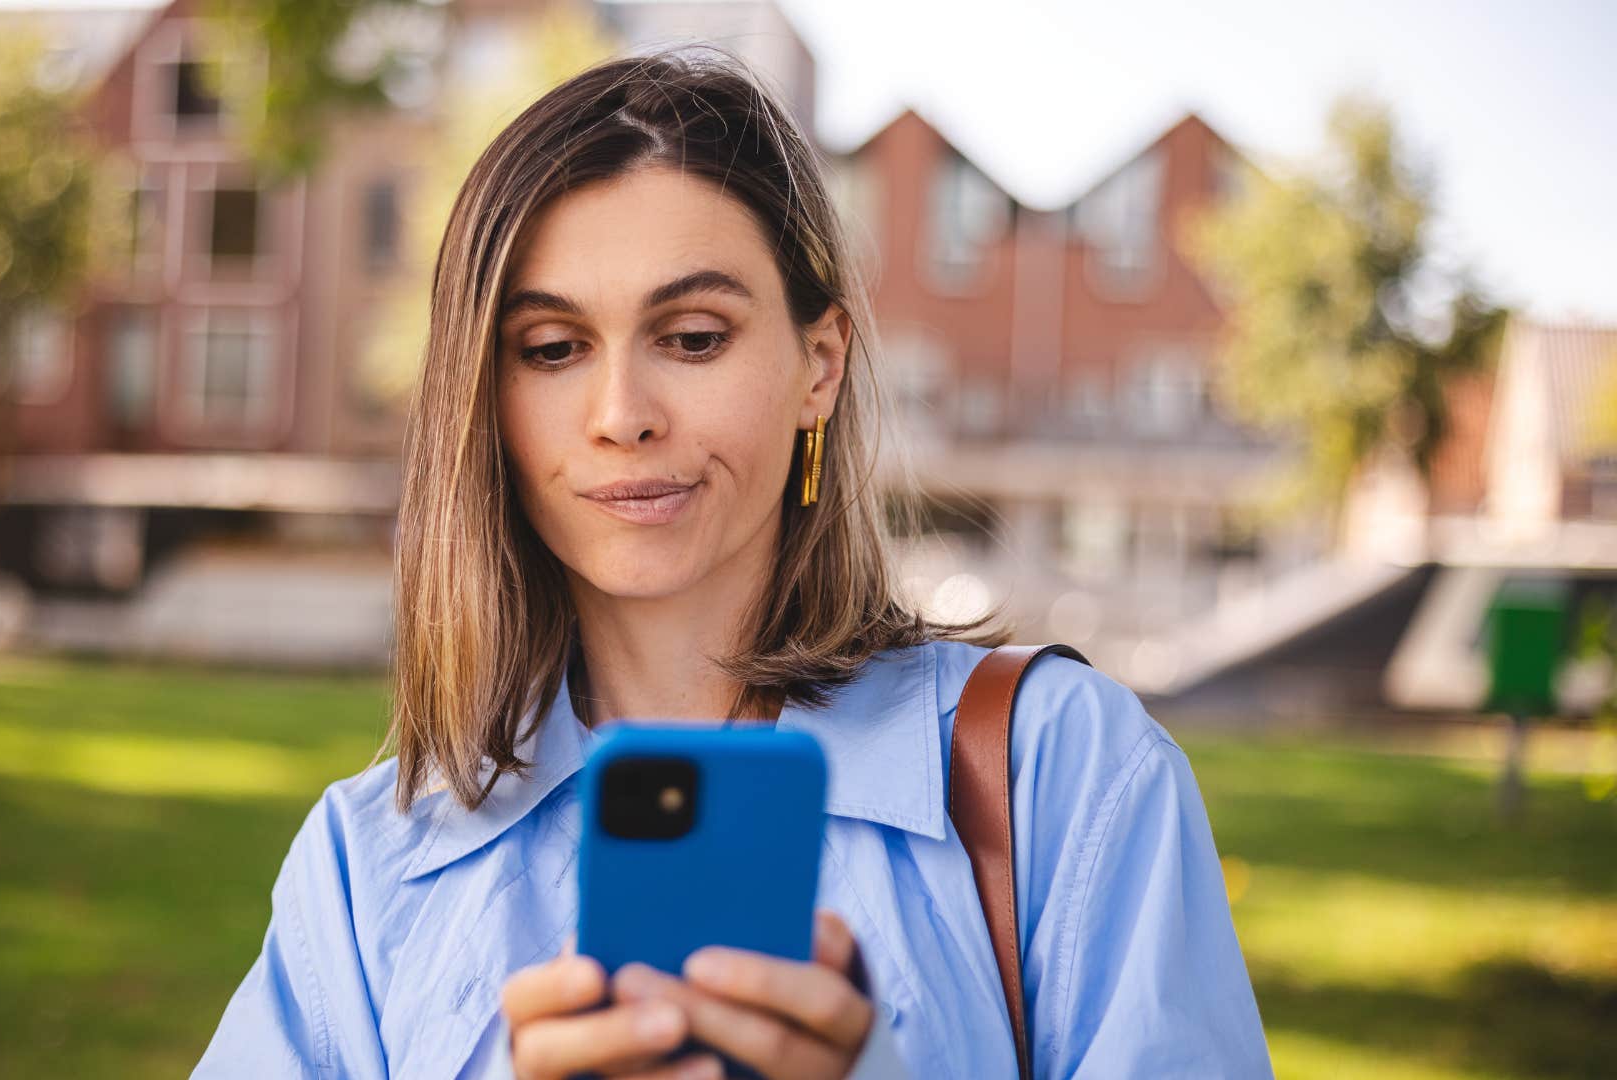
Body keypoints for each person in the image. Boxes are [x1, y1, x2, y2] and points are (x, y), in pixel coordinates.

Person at [193, 48, 1273, 1079]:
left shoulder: (1057, 772)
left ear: (819, 365)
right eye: (553, 350)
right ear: (489, 397)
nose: (621, 416)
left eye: (694, 337)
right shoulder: (368, 865)